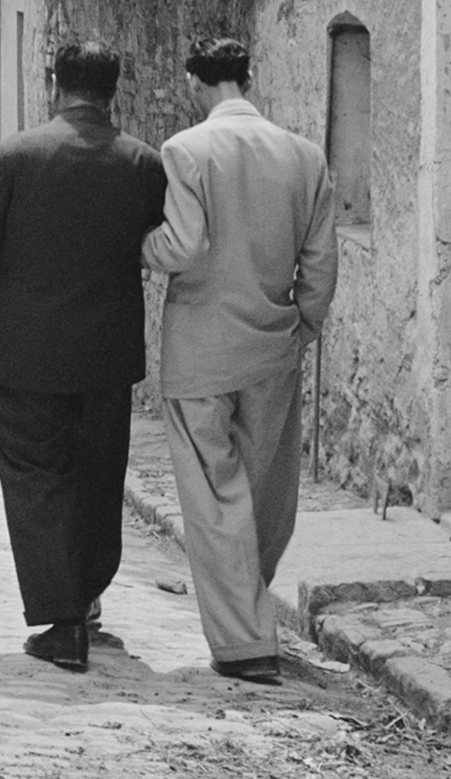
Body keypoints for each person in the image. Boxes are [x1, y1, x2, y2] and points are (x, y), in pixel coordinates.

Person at [0, 40, 167, 674]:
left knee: (34, 478)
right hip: (106, 354)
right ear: (114, 89)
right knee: (98, 477)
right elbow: (161, 238)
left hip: (25, 353)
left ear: (55, 82)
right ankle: (89, 592)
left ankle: (62, 618)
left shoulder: (12, 157)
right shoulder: (141, 162)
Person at [141, 36, 340, 685]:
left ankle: (242, 642)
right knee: (265, 492)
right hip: (272, 343)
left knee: (213, 493)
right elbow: (318, 260)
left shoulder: (185, 151)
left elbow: (181, 245)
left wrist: (137, 244)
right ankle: (250, 608)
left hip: (200, 350)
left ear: (197, 83)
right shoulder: (303, 155)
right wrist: (303, 323)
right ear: (247, 78)